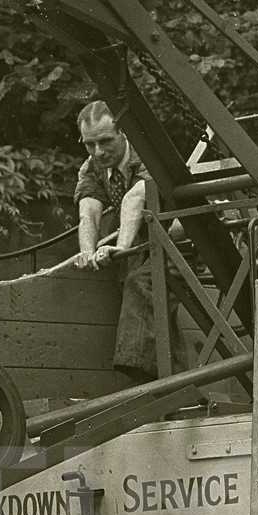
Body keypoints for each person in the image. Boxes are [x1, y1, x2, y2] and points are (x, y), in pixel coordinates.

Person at [73, 100, 178, 380]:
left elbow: (135, 198)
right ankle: (156, 373)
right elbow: (89, 213)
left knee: (141, 281)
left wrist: (120, 249)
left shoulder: (147, 156)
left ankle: (140, 372)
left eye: (105, 141)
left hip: (184, 240)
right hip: (146, 242)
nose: (99, 151)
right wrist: (86, 252)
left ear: (123, 133)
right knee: (129, 280)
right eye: (89, 144)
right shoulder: (92, 168)